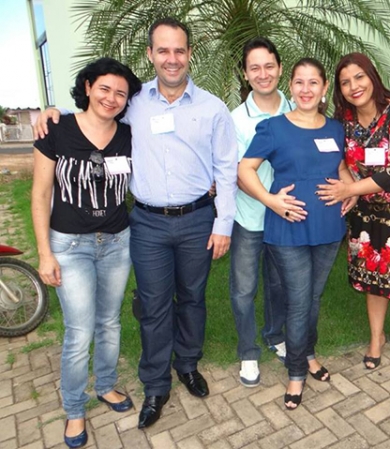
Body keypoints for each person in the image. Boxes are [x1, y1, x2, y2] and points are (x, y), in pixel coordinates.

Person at [34, 17, 238, 427]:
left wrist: (224, 224)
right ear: (150, 54)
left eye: (179, 50)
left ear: (190, 54)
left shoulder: (213, 108)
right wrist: (52, 110)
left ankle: (188, 365)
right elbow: (93, 114)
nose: (172, 58)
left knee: (193, 299)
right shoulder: (134, 102)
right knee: (153, 306)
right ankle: (156, 385)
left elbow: (227, 170)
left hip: (199, 217)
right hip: (145, 224)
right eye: (162, 50)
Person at [31, 57, 142, 448]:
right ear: (89, 87)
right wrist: (45, 253)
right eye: (105, 89)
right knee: (79, 332)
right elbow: (41, 194)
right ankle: (75, 410)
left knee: (109, 323)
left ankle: (107, 385)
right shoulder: (57, 129)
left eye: (120, 93)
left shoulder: (128, 135)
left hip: (116, 242)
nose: (111, 98)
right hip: (70, 245)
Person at [238, 58, 356, 409]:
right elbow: (245, 170)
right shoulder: (273, 127)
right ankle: (295, 373)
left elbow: (340, 166)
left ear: (324, 90)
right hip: (287, 228)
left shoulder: (335, 129)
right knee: (300, 299)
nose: (306, 90)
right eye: (300, 83)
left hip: (329, 227)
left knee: (313, 298)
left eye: (314, 83)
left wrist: (348, 188)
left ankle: (308, 355)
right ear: (291, 86)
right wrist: (270, 200)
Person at [316, 53, 390, 375]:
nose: (354, 86)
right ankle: (376, 338)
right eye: (345, 82)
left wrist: (349, 190)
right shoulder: (346, 123)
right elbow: (340, 162)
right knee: (373, 280)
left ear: (373, 78)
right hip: (366, 215)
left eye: (359, 77)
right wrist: (347, 183)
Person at [230, 37, 296, 387]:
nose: (263, 73)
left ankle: (275, 335)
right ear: (245, 73)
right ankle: (248, 352)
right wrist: (270, 200)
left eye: (269, 66)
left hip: (286, 220)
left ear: (280, 68)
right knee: (243, 289)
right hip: (250, 218)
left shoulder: (297, 110)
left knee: (279, 284)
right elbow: (239, 173)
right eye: (254, 67)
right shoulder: (236, 119)